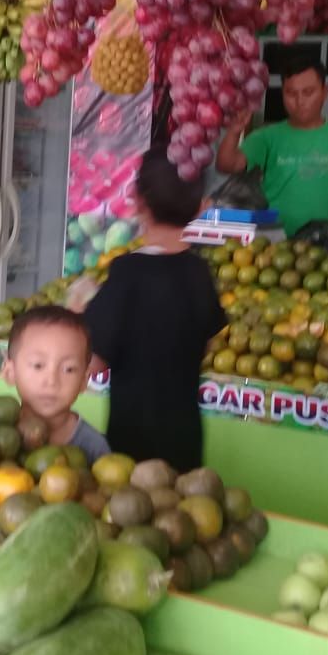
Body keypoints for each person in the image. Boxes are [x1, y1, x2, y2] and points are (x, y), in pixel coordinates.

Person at [80, 150, 227, 471]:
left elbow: (93, 362)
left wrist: (77, 311)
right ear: (200, 206)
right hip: (185, 435)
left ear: (137, 201)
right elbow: (206, 342)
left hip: (135, 437)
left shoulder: (128, 272)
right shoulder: (199, 271)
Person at [216, 59, 328, 237]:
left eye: (308, 92)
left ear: (325, 92)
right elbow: (227, 165)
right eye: (291, 93)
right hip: (275, 247)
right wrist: (234, 132)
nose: (299, 101)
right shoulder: (266, 137)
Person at [0, 305, 111, 464]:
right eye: (38, 365)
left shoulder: (94, 447)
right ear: (10, 372)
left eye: (68, 369)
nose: (51, 381)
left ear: (83, 382)